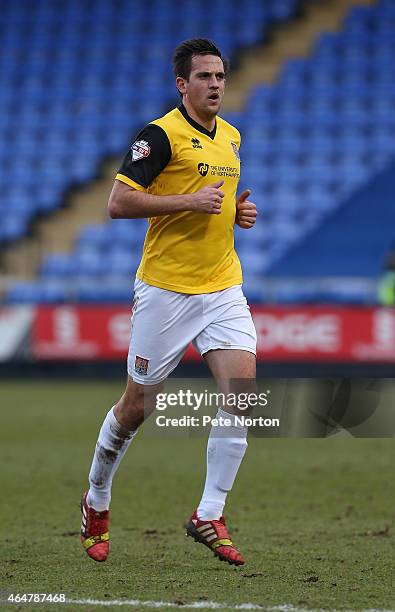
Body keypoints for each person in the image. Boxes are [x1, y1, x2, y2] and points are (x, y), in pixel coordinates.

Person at [80, 38, 258, 567]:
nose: (216, 85)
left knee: (243, 395)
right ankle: (97, 498)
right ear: (182, 84)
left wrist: (236, 216)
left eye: (221, 76)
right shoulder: (158, 136)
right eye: (204, 76)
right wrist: (190, 202)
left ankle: (209, 512)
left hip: (223, 287)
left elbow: (215, 207)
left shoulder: (230, 136)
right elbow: (118, 202)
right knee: (136, 408)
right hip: (166, 290)